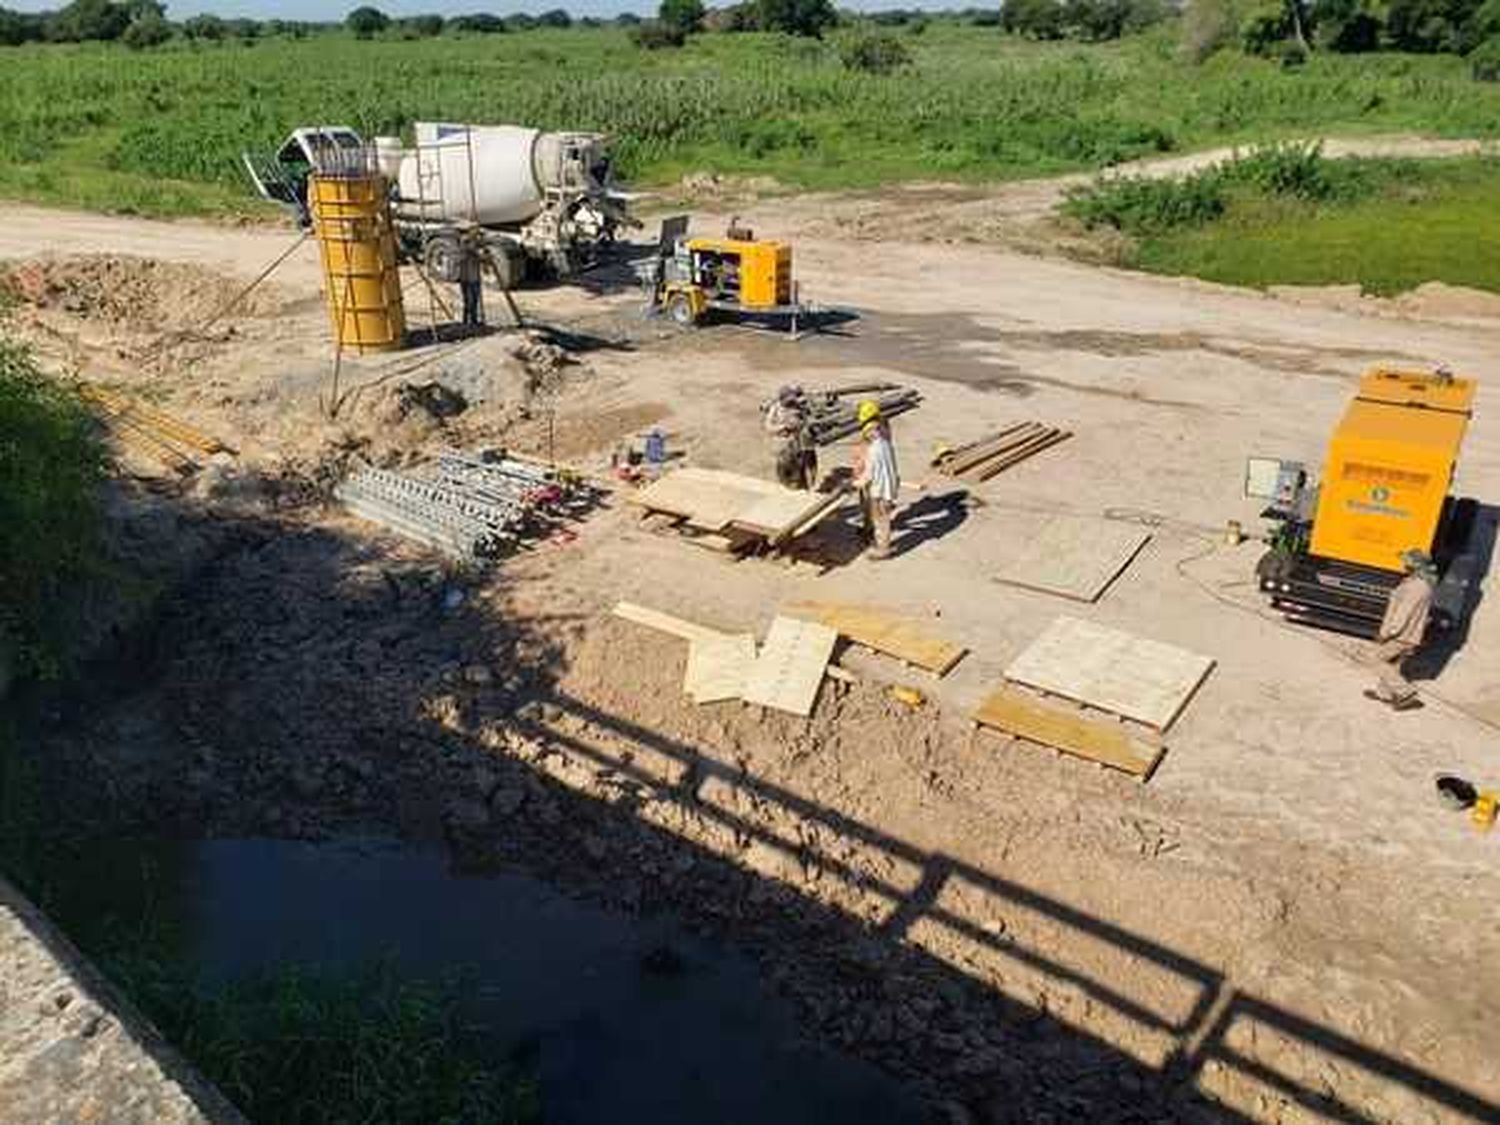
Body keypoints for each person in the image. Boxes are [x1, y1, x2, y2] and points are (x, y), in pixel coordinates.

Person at [1364, 548, 1437, 711]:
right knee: (1393, 663)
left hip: (1402, 635)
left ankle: (1406, 693)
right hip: (1406, 634)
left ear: (1415, 565)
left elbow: (1404, 613)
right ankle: (1385, 694)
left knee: (1375, 658)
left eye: (1407, 562)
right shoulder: (1414, 582)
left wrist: (1388, 633)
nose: (1404, 564)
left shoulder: (1418, 586)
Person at [852, 399, 900, 560]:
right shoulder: (885, 442)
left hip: (880, 487)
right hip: (886, 484)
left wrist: (855, 483)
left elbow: (869, 474)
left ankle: (883, 549)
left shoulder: (874, 449)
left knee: (881, 519)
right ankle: (875, 537)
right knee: (878, 516)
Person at [764, 384, 817, 490]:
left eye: (791, 400)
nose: (790, 403)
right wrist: (782, 427)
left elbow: (809, 416)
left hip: (801, 440)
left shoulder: (798, 405)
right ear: (782, 399)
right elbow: (768, 426)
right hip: (786, 443)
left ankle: (809, 485)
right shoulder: (776, 409)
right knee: (788, 465)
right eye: (787, 400)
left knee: (808, 462)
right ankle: (793, 483)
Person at [457, 228, 485, 333]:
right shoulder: (465, 248)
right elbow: (469, 249)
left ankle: (473, 322)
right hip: (467, 279)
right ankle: (466, 323)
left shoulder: (475, 249)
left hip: (474, 278)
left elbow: (483, 257)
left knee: (474, 302)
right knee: (469, 302)